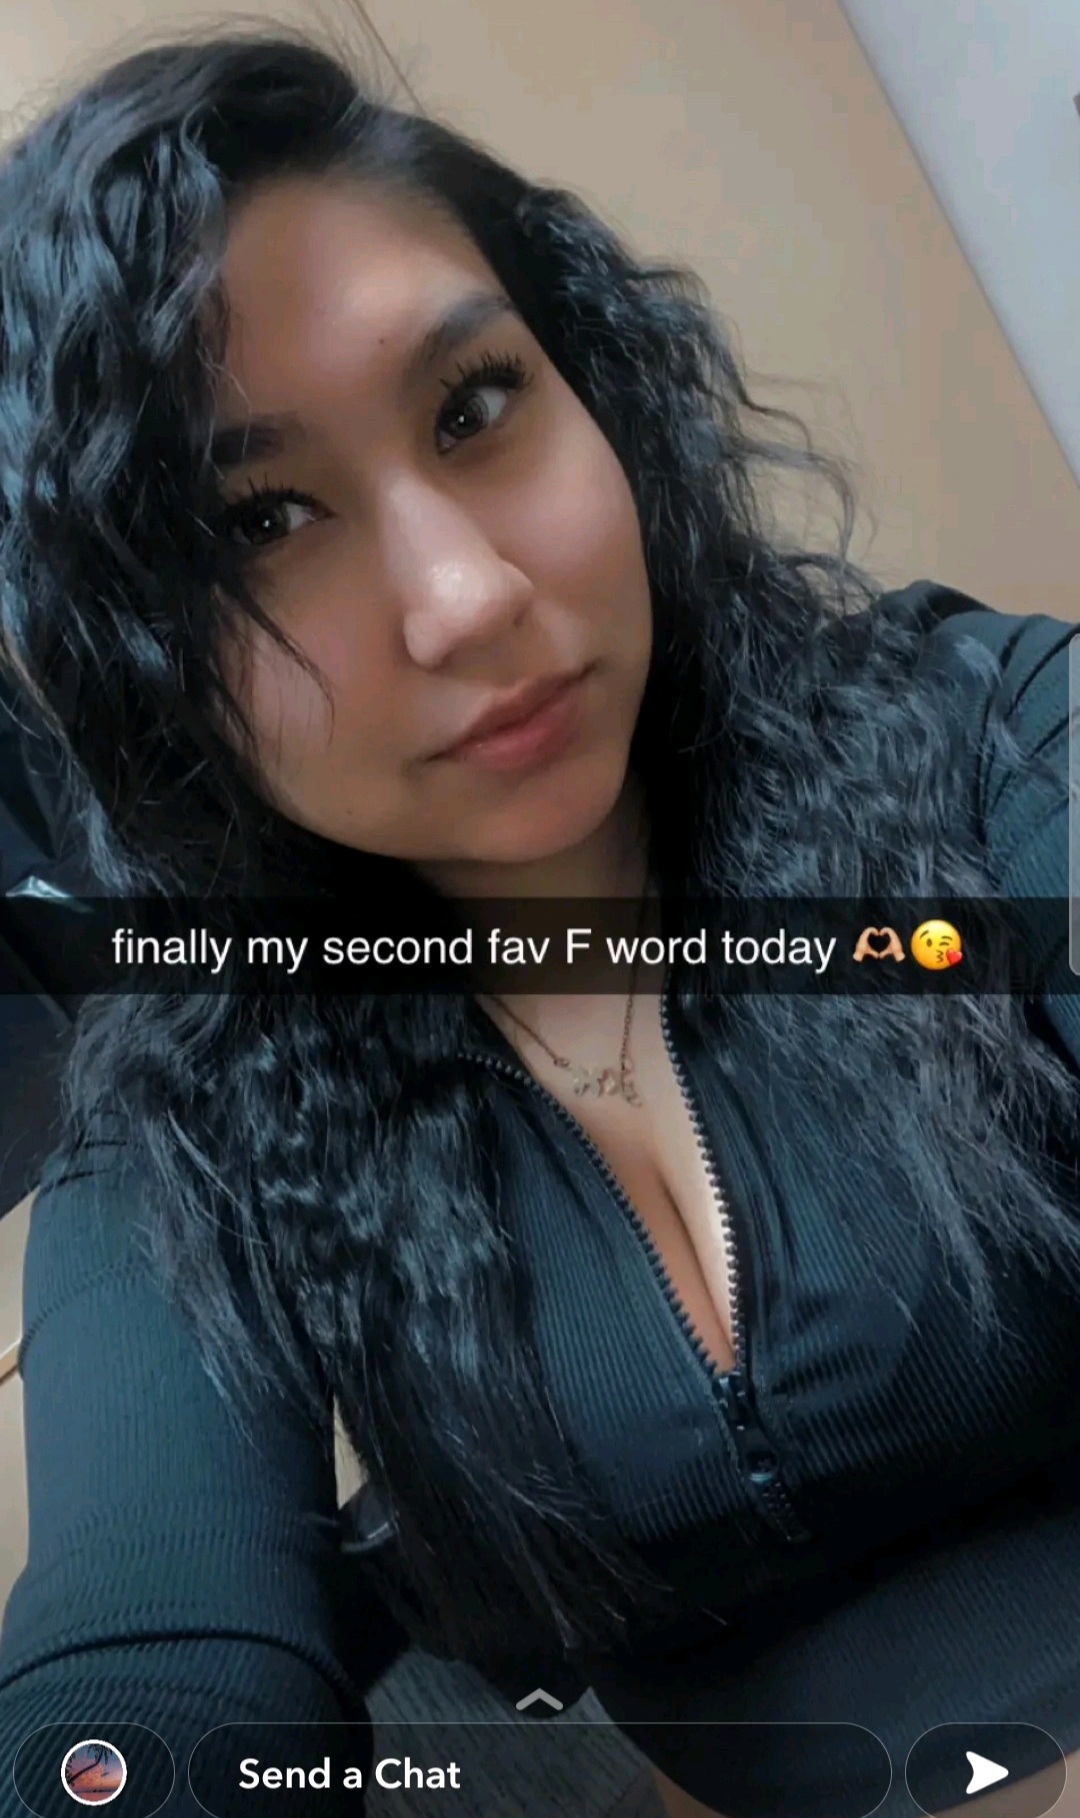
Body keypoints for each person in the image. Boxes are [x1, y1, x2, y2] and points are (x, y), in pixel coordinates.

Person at [0, 18, 1078, 1818]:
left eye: (474, 405)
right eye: (261, 519)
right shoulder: (183, 1124)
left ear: (594, 386)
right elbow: (137, 1686)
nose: (467, 596)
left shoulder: (991, 745)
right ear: (144, 657)